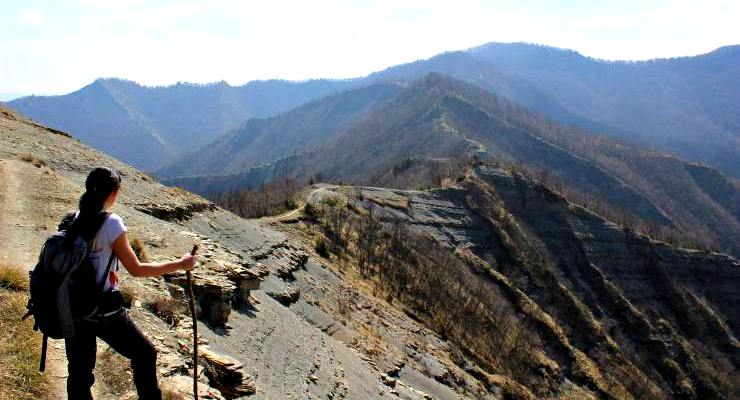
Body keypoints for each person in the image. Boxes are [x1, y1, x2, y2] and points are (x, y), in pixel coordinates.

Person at [63, 167, 197, 399]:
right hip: (103, 310)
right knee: (145, 354)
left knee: (79, 372)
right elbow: (136, 269)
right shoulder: (111, 223)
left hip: (71, 307)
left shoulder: (70, 219)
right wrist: (180, 264)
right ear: (113, 193)